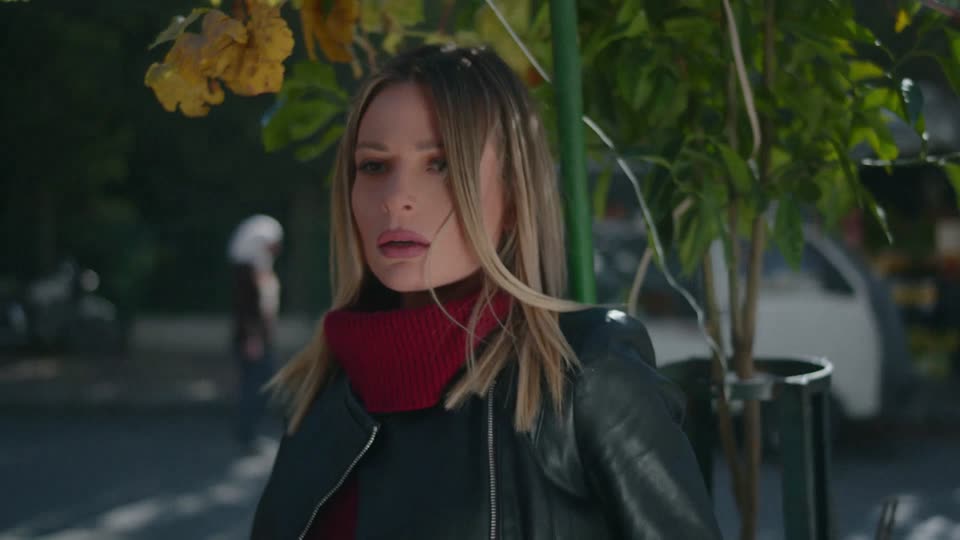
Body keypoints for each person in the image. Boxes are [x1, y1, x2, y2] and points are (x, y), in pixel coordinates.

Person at [251, 44, 721, 539]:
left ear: (514, 197)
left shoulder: (587, 376)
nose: (395, 199)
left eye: (440, 164)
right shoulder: (319, 393)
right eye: (373, 166)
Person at [227, 214, 283, 446]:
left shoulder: (259, 268)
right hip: (253, 341)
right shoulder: (246, 271)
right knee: (255, 386)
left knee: (258, 384)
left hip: (258, 339)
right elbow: (247, 308)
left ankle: (249, 433)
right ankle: (246, 434)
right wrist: (253, 338)